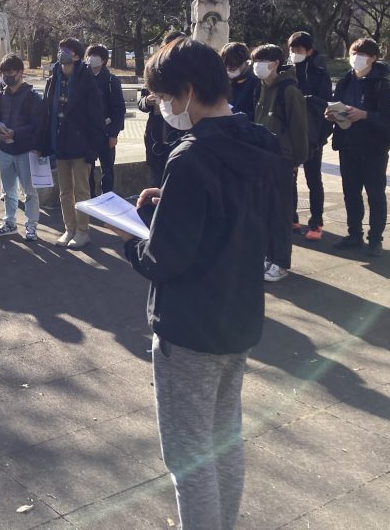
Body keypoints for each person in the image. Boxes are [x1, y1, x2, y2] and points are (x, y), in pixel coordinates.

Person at [117, 38, 283, 530]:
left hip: (189, 328)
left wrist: (129, 238)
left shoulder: (191, 157)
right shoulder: (256, 142)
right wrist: (167, 202)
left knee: (188, 459)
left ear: (187, 91)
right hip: (239, 316)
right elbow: (238, 221)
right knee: (224, 440)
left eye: (165, 97)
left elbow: (163, 259)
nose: (165, 107)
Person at [327, 38, 390, 255]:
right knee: (351, 193)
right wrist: (330, 114)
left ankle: (375, 239)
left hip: (373, 148)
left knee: (375, 194)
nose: (356, 58)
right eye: (353, 53)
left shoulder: (381, 85)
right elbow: (335, 104)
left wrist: (365, 115)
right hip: (347, 144)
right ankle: (354, 234)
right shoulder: (345, 81)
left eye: (361, 54)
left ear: (373, 58)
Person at [251, 44, 309, 282]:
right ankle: (268, 255)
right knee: (264, 211)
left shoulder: (289, 91)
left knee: (281, 213)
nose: (257, 66)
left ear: (275, 63)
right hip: (262, 158)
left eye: (261, 61)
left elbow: (299, 129)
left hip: (282, 160)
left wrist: (297, 160)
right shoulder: (263, 88)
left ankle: (281, 262)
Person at [42, 37, 105, 249]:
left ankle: (83, 231)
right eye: (60, 50)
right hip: (59, 141)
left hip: (81, 143)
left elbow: (96, 117)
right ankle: (69, 228)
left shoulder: (87, 79)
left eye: (66, 51)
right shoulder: (54, 78)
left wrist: (93, 148)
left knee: (82, 190)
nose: (62, 54)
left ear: (77, 55)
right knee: (64, 190)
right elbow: (47, 111)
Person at [0, 54, 46, 240]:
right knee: (8, 190)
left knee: (29, 191)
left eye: (11, 72)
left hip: (25, 150)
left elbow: (37, 124)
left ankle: (31, 226)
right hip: (4, 149)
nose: (7, 76)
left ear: (21, 72)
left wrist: (16, 133)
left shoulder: (32, 97)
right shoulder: (1, 95)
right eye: (4, 73)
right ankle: (9, 222)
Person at [287, 31, 333, 240]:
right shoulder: (287, 70)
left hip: (313, 132)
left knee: (313, 178)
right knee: (291, 177)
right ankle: (292, 216)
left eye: (298, 50)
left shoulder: (319, 72)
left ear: (309, 50)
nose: (294, 54)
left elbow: (325, 101)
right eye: (291, 50)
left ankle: (316, 222)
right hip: (291, 132)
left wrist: (303, 99)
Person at [138, 31, 187, 188]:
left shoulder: (189, 74)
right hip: (157, 135)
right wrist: (147, 101)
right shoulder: (154, 71)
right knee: (156, 182)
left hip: (182, 134)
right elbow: (141, 102)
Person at [84, 44, 126, 197]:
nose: (91, 59)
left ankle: (107, 198)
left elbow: (119, 109)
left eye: (96, 56)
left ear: (103, 60)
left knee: (107, 169)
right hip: (87, 133)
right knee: (87, 169)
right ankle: (91, 199)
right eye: (90, 55)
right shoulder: (82, 78)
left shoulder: (111, 80)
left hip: (106, 132)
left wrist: (114, 134)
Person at [221, 41, 259, 118]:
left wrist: (233, 111)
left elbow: (257, 115)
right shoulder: (223, 79)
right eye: (226, 65)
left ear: (245, 62)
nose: (229, 68)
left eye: (233, 66)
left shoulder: (256, 81)